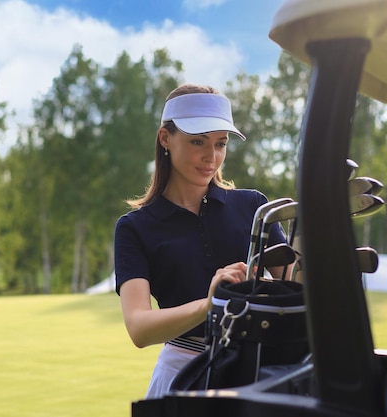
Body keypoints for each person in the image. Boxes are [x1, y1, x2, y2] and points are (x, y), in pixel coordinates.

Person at [114, 84, 288, 398]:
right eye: (198, 141)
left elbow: (298, 288)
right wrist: (209, 306)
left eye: (220, 144)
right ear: (165, 139)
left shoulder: (253, 207)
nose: (211, 157)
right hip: (183, 375)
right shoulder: (134, 227)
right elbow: (139, 327)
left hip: (258, 371)